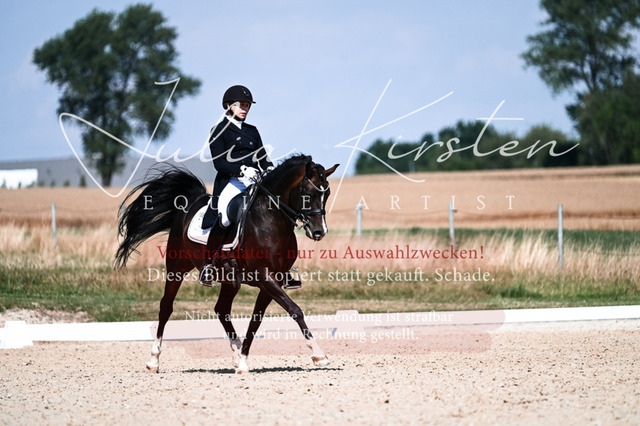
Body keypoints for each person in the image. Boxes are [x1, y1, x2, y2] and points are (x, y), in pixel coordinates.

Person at [199, 85, 273, 287]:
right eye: (241, 105)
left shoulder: (252, 131)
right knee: (224, 216)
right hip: (231, 182)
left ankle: (279, 264)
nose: (245, 109)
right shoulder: (218, 130)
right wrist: (241, 170)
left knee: (272, 211)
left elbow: (262, 156)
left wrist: (269, 169)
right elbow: (219, 163)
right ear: (228, 106)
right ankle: (208, 263)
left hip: (254, 180)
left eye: (247, 105)